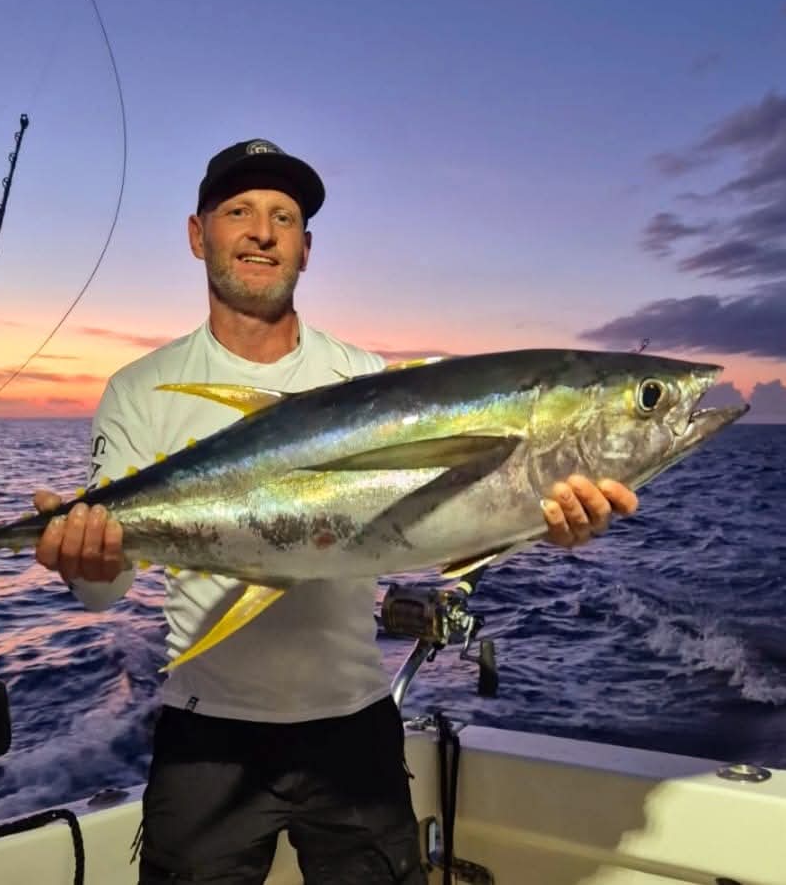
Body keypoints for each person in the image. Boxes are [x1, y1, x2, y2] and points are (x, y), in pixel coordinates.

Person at [34, 138, 638, 884]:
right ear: (198, 235)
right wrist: (83, 557)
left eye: (284, 218)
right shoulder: (140, 388)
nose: (263, 232)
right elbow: (103, 595)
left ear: (307, 249)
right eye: (239, 211)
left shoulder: (366, 380)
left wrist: (538, 523)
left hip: (354, 724)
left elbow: (440, 526)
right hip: (205, 732)